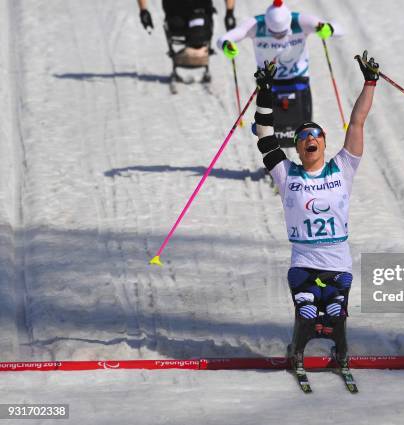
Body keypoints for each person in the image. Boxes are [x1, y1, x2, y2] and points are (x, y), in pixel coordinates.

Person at [253, 51, 379, 371]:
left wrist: (369, 82)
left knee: (336, 314)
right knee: (308, 311)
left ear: (324, 143)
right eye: (303, 136)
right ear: (297, 148)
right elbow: (265, 138)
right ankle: (297, 348)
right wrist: (265, 92)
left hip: (338, 260)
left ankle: (340, 351)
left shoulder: (343, 166)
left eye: (315, 135)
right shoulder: (287, 174)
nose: (310, 138)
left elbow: (359, 121)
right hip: (304, 261)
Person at [218, 0, 340, 145]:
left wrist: (329, 29)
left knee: (304, 129)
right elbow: (224, 39)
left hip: (298, 79)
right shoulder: (256, 24)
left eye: (282, 33)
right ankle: (271, 162)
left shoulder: (300, 21)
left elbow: (341, 29)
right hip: (268, 81)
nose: (278, 37)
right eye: (274, 33)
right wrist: (227, 45)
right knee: (266, 129)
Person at [138, 0, 237, 48]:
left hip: (199, 13)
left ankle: (196, 53)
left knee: (199, 35)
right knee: (178, 28)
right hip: (174, 15)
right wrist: (143, 11)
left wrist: (229, 12)